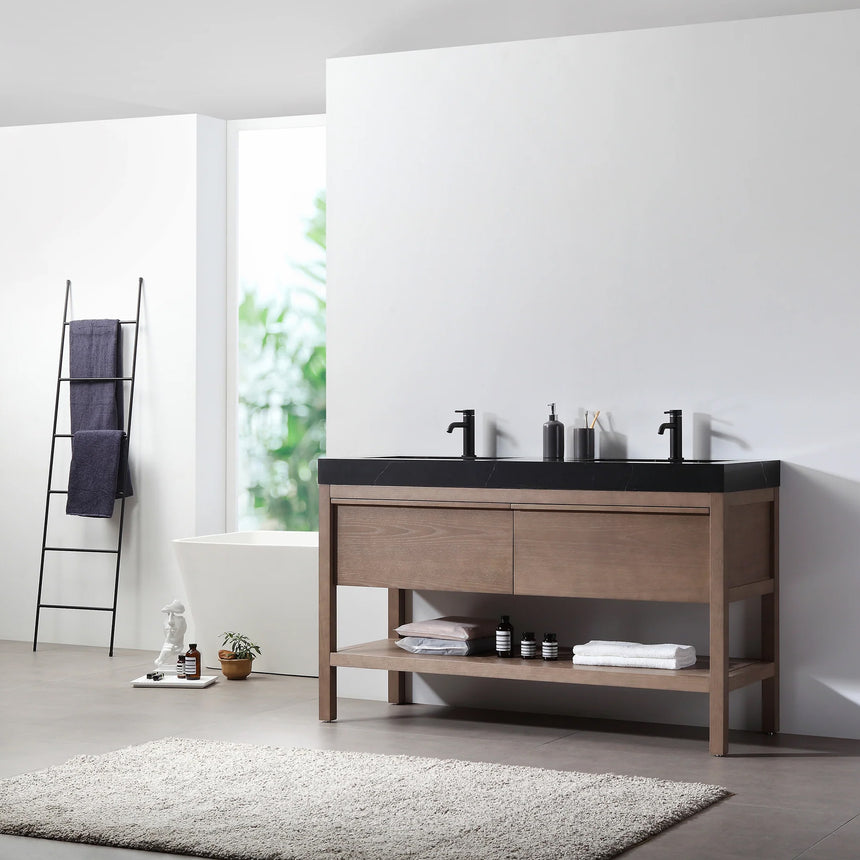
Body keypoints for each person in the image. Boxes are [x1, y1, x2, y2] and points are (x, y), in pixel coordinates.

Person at [154, 598, 187, 671]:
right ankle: (160, 660)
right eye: (169, 614)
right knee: (169, 645)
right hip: (173, 645)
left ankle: (160, 660)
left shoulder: (180, 620)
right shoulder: (170, 622)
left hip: (176, 644)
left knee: (170, 645)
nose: (170, 622)